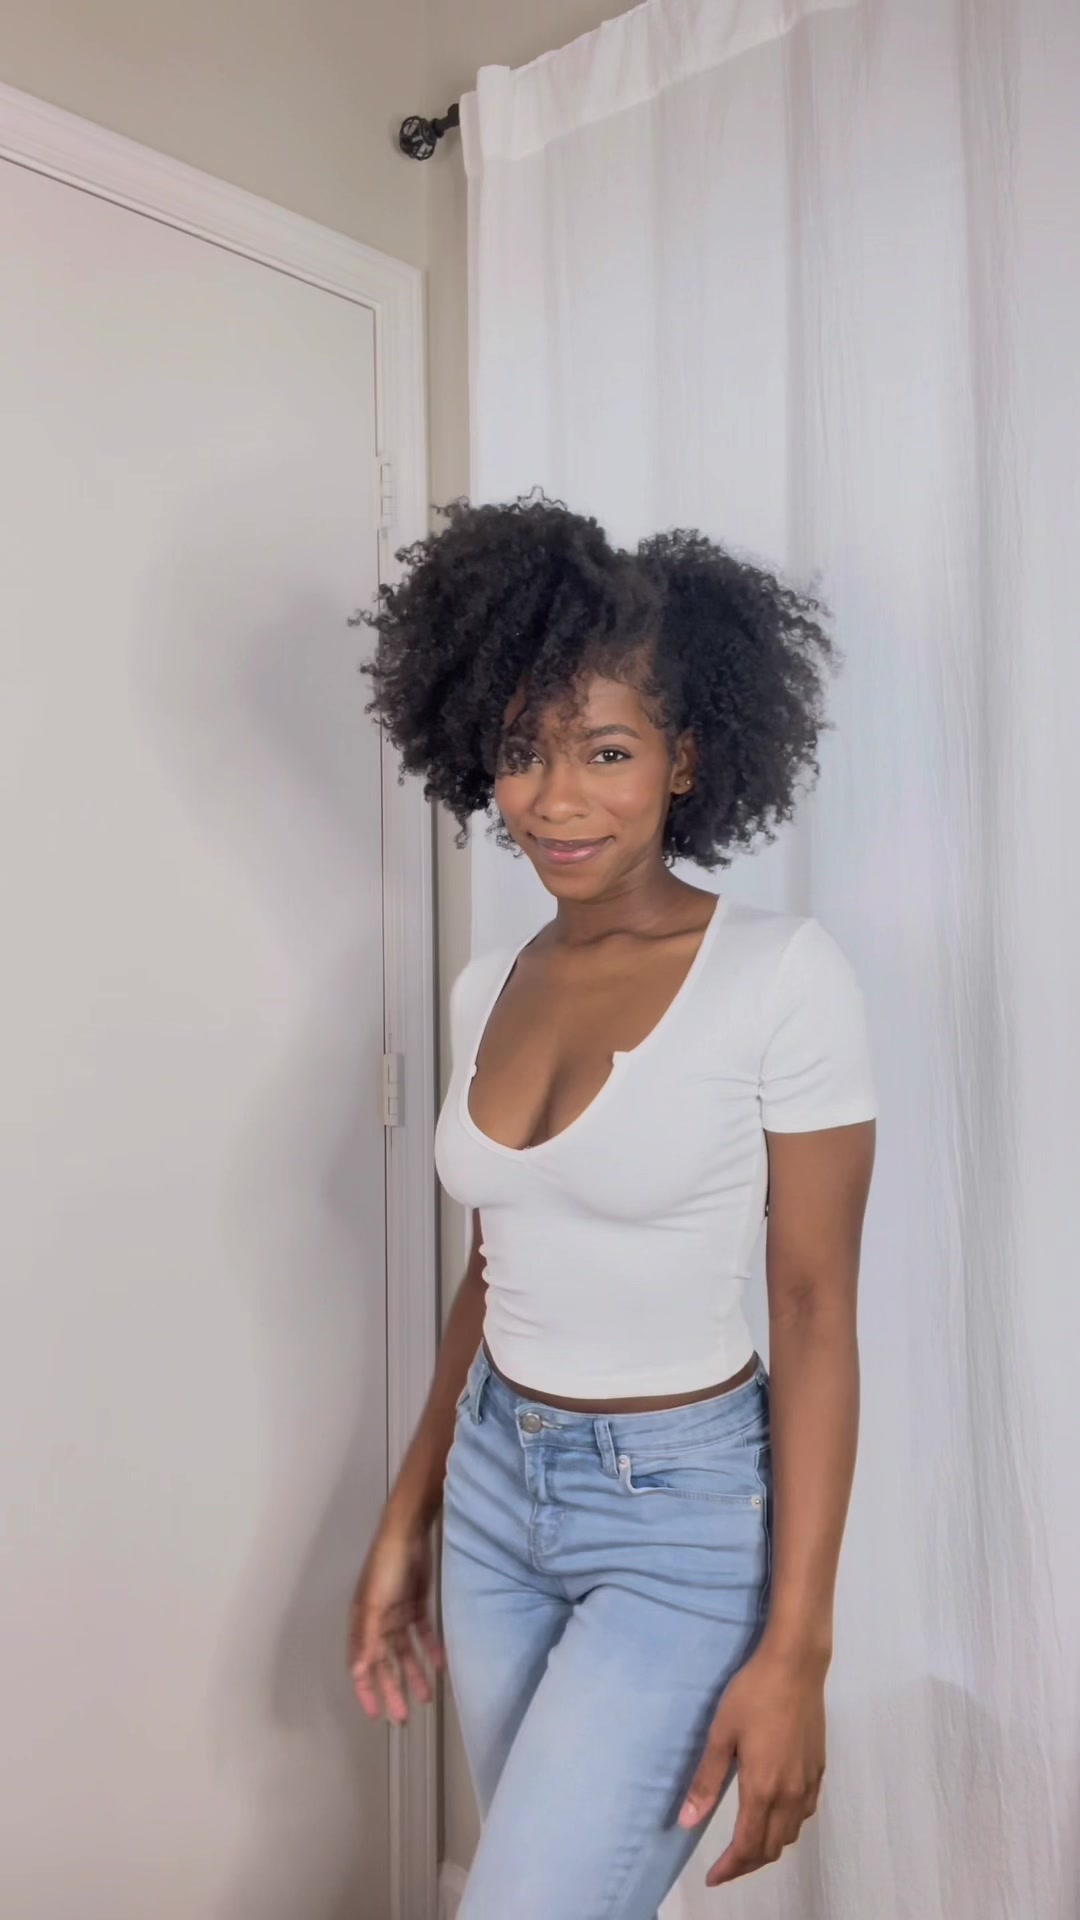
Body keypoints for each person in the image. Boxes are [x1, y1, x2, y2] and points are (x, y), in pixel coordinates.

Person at [348, 492, 877, 1917]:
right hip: (492, 1496)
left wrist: (800, 1651)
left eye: (606, 751)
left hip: (681, 1523)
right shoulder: (487, 985)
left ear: (685, 759)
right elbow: (493, 1269)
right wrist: (410, 1514)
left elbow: (814, 1310)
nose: (556, 800)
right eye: (523, 751)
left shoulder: (781, 975)